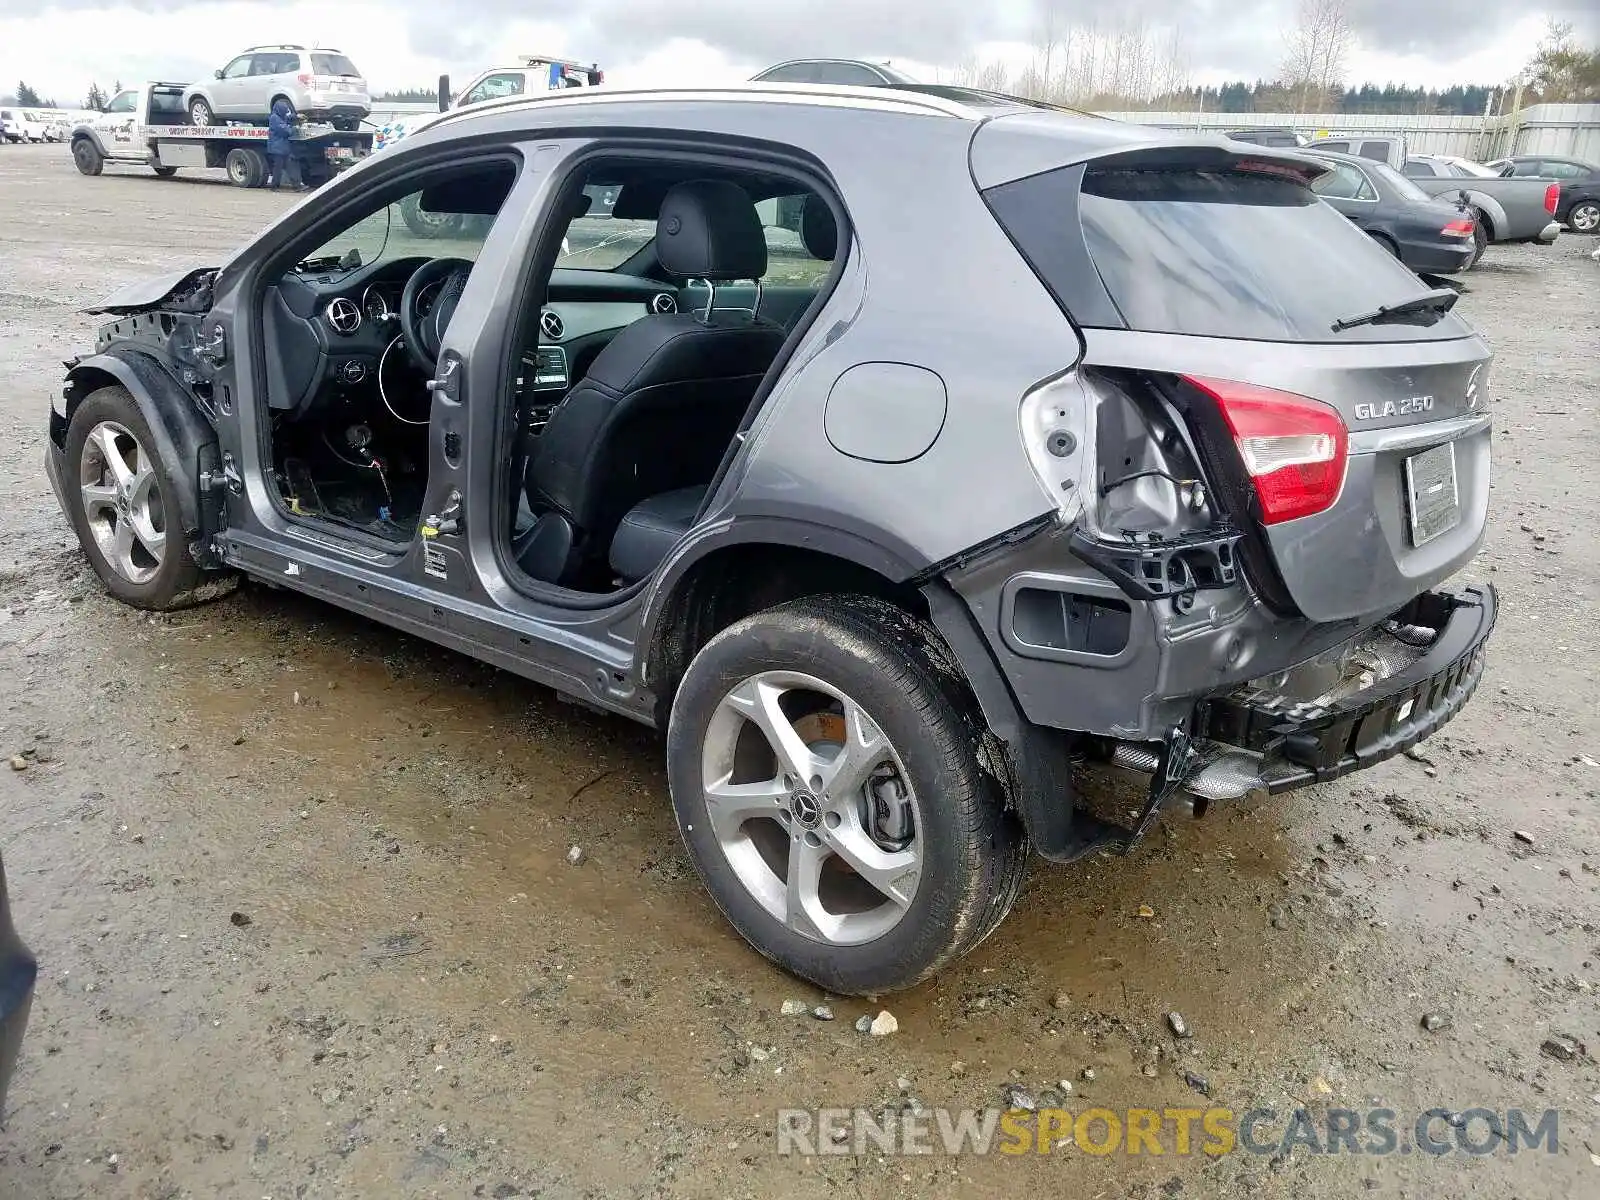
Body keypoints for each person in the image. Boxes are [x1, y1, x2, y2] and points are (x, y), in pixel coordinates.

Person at [266, 98, 301, 190]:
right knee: (279, 168)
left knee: (290, 167)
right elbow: (285, 131)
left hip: (283, 147)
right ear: (280, 110)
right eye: (284, 110)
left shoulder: (279, 116)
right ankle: (274, 186)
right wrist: (294, 128)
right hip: (277, 148)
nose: (286, 112)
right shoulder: (274, 118)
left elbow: (288, 118)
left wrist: (296, 116)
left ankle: (296, 186)